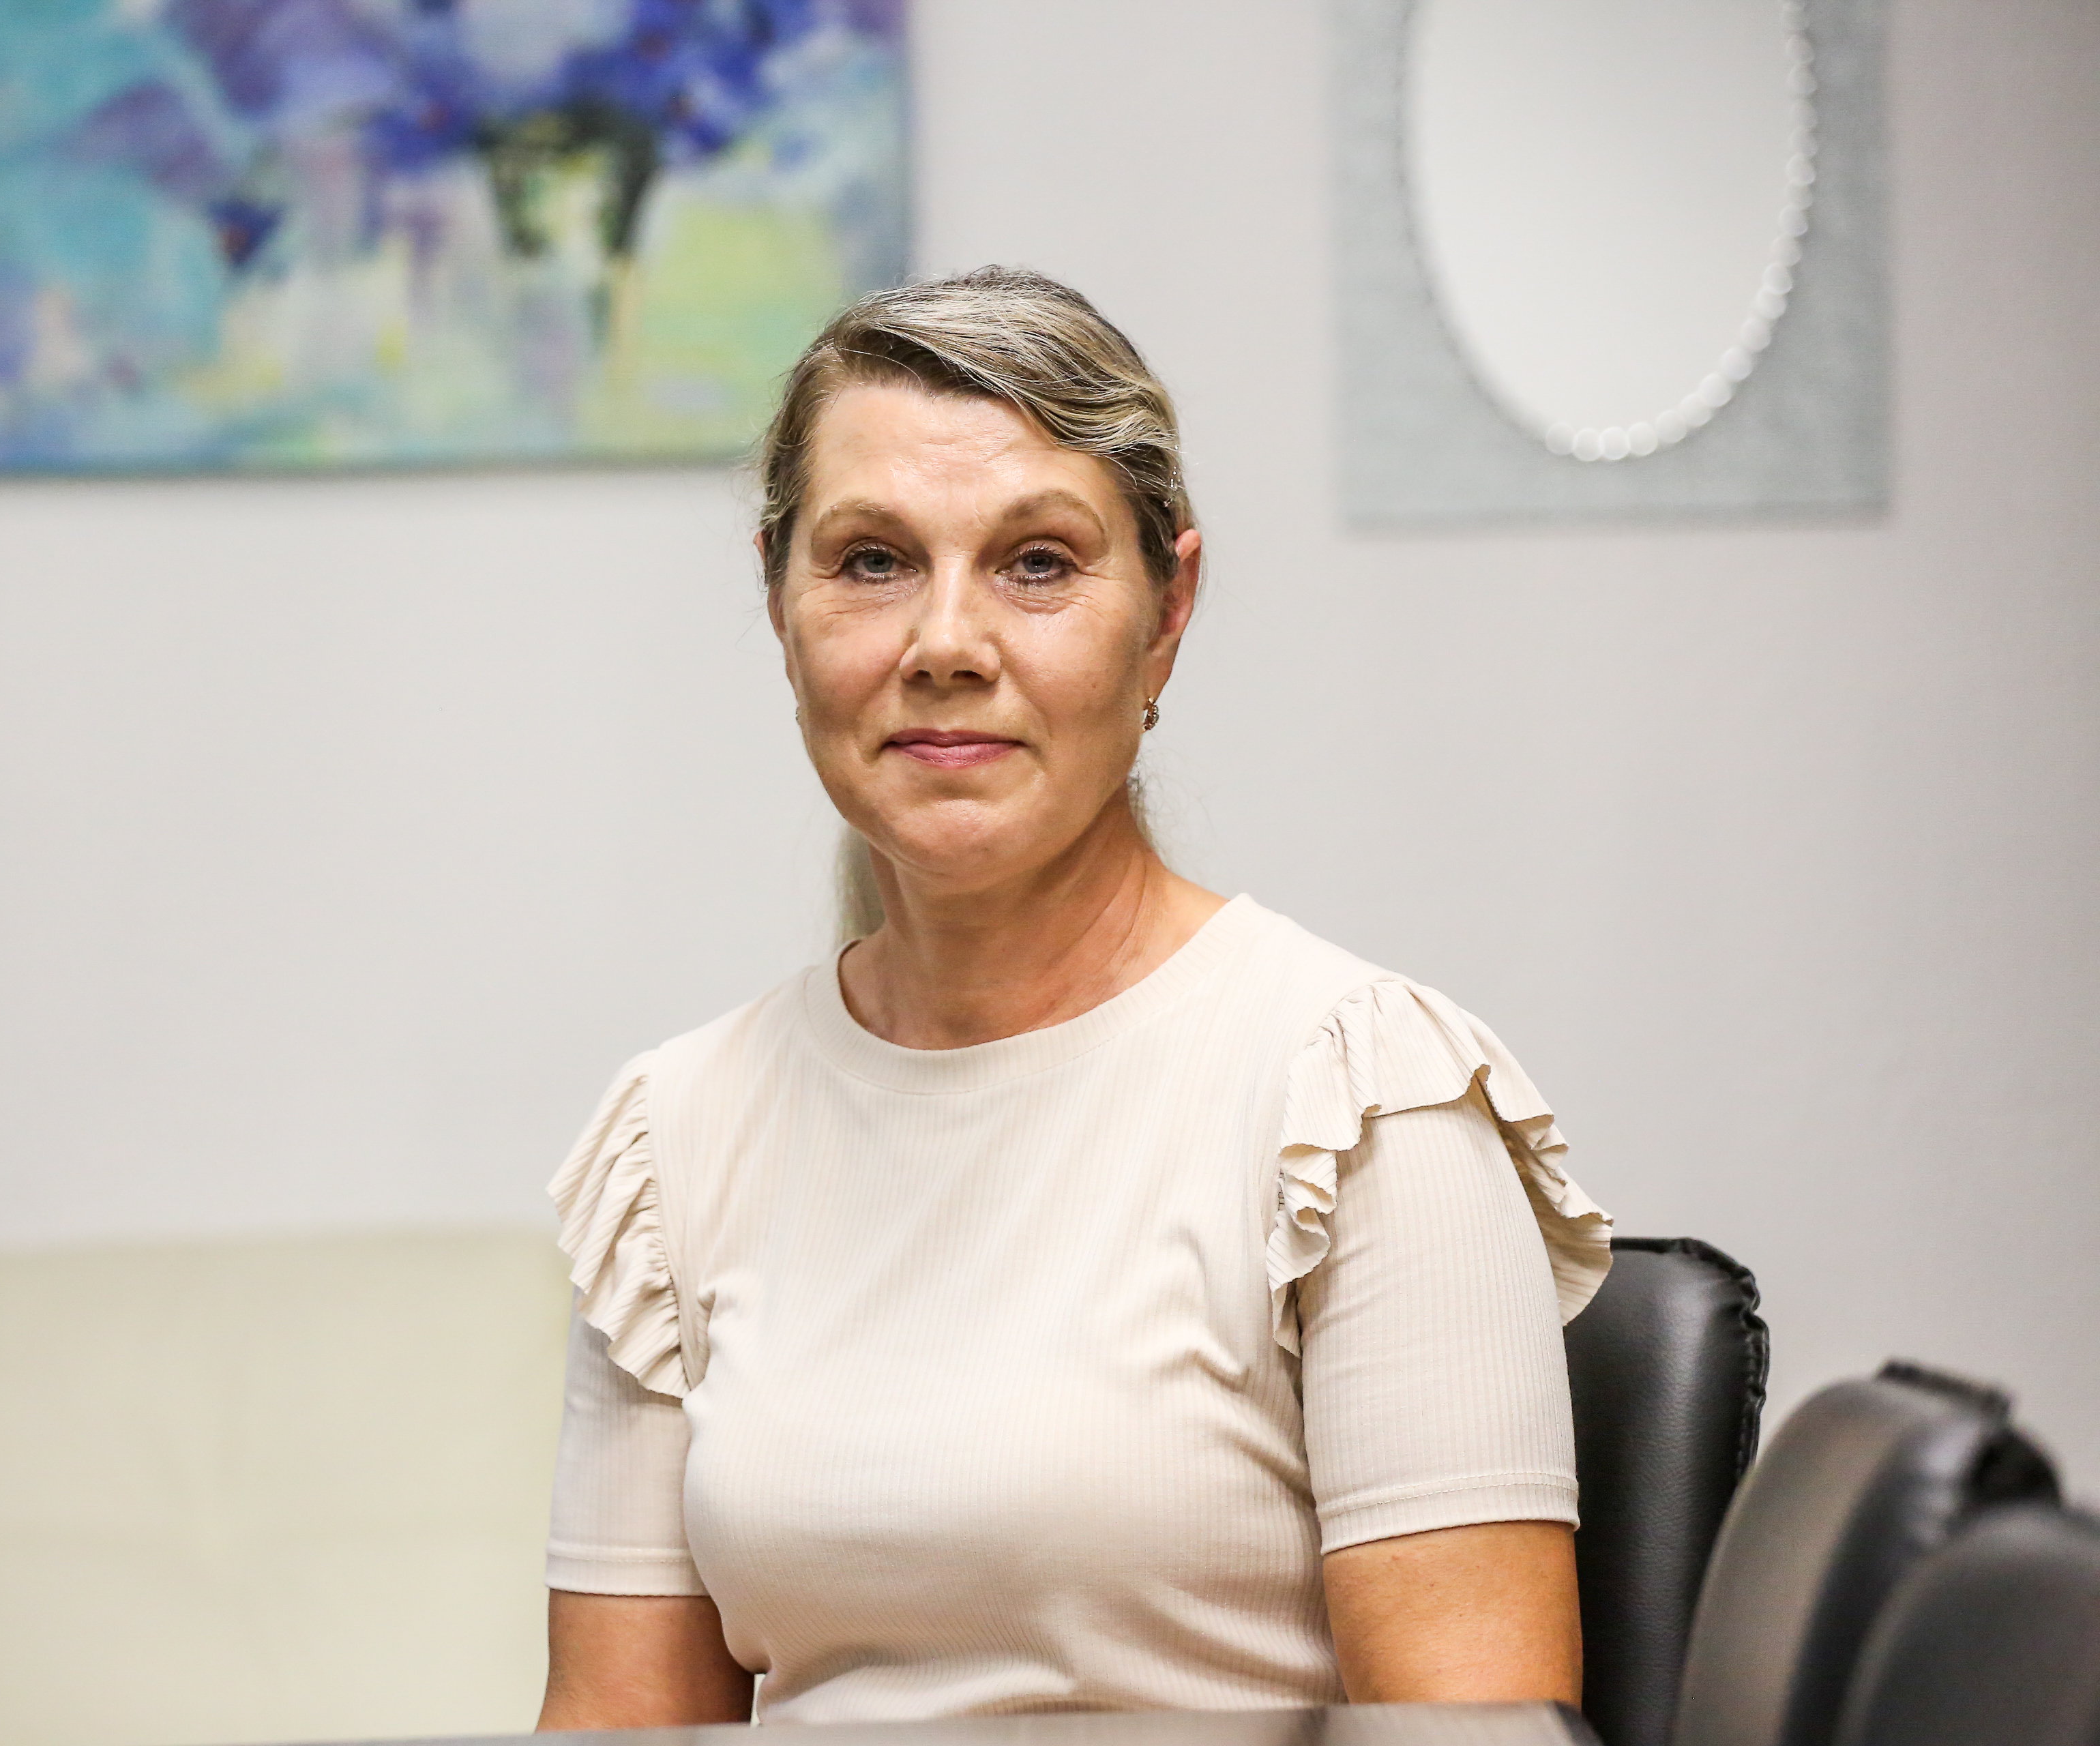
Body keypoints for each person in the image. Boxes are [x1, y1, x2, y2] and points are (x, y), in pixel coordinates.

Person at [535, 267, 1612, 1729]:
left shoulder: (1359, 1103)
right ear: (779, 602)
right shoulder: (675, 1139)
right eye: (871, 561)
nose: (946, 643)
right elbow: (620, 1729)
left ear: (1167, 612)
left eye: (1038, 563)